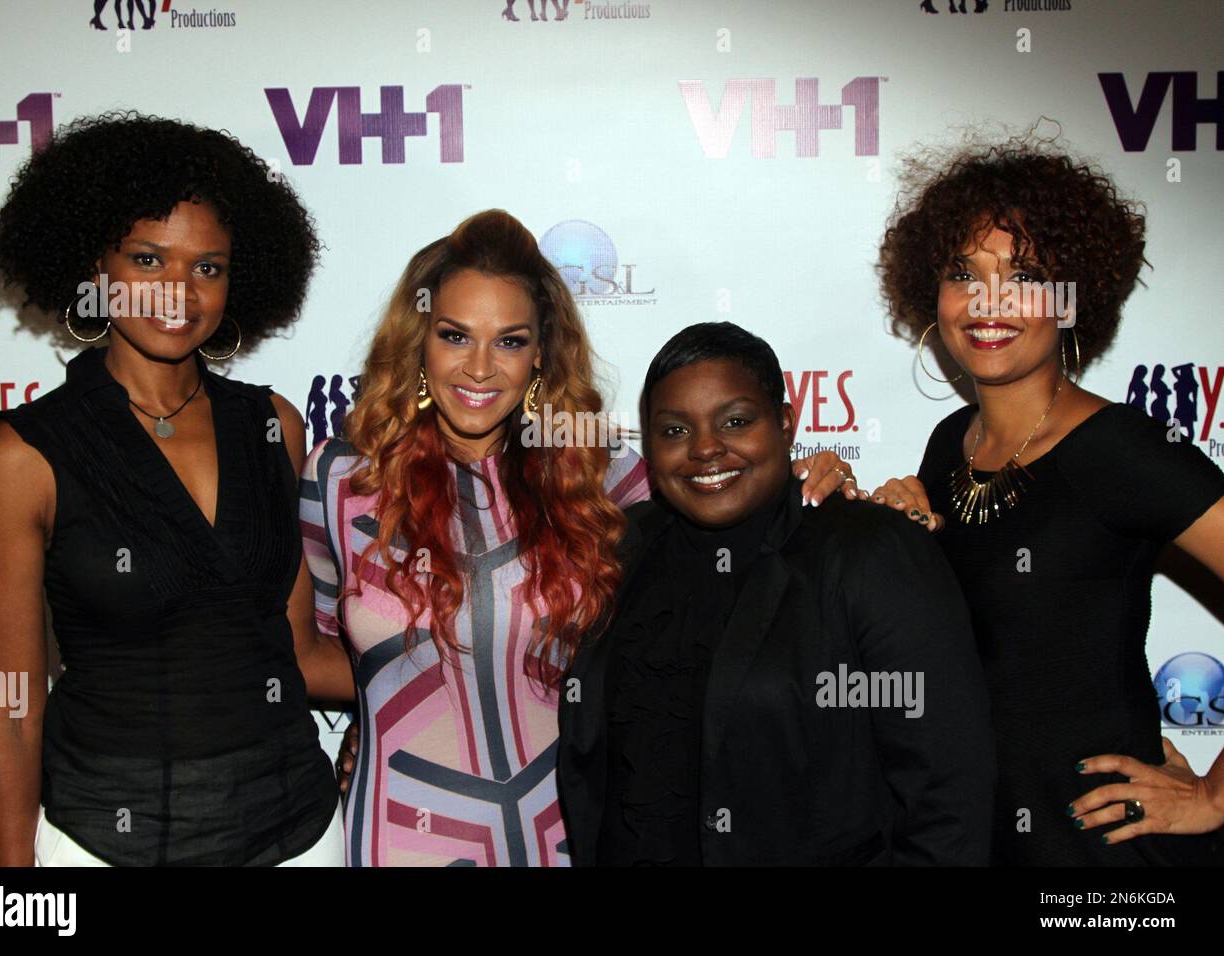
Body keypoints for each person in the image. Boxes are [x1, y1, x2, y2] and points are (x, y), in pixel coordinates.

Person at [318, 212, 863, 865]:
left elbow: (732, 513)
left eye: (511, 341)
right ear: (419, 341)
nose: (481, 367)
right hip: (400, 830)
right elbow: (314, 650)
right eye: (455, 335)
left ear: (542, 354)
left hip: (567, 832)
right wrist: (377, 716)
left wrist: (829, 482)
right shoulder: (339, 478)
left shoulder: (601, 475)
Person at [0, 111, 351, 866]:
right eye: (148, 260)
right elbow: (8, 712)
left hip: (299, 837)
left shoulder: (274, 426)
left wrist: (453, 661)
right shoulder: (26, 456)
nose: (178, 292)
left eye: (207, 267)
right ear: (94, 268)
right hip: (104, 844)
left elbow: (299, 649)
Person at [870, 136, 1224, 864]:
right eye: (964, 273)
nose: (987, 301)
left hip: (1100, 855)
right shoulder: (947, 447)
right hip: (976, 836)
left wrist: (1215, 795)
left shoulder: (1117, 448)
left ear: (1074, 297)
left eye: (1024, 274)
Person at [557, 322, 996, 865]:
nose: (706, 449)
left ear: (785, 424)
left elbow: (949, 803)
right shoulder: (619, 551)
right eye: (674, 431)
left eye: (736, 422)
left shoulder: (869, 552)